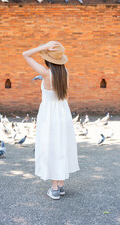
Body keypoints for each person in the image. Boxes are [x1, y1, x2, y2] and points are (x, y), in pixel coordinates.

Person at [22, 41, 79, 200]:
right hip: (63, 111)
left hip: (49, 115)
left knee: (52, 148)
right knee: (62, 146)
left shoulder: (46, 73)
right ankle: (60, 185)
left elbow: (25, 54)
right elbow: (65, 96)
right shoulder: (65, 72)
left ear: (49, 60)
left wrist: (43, 47)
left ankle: (54, 188)